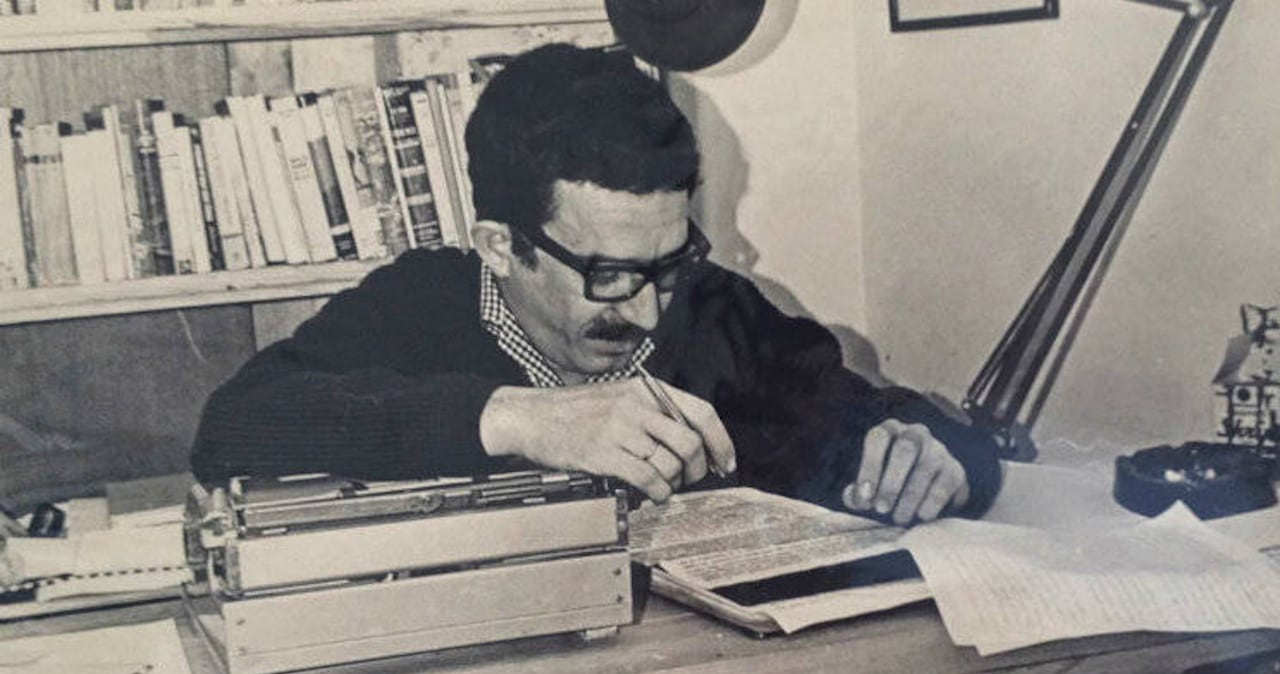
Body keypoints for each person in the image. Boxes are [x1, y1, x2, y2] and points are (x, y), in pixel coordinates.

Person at [191, 43, 1001, 526]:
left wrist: (946, 456)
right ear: (502, 248)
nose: (650, 311)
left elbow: (869, 412)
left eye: (669, 261)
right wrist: (519, 419)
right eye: (610, 276)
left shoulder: (714, 308)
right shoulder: (418, 307)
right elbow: (233, 427)